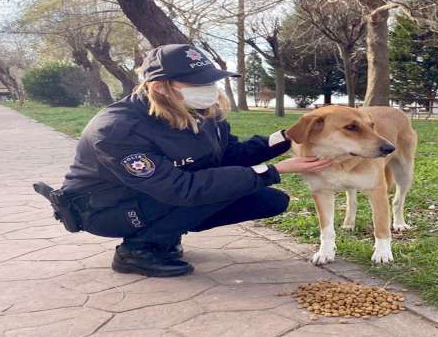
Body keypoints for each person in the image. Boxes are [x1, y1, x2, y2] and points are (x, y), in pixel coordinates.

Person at [60, 44, 331, 277]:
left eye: (211, 81)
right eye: (198, 83)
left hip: (153, 195)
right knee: (216, 187)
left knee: (269, 199)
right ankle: (138, 249)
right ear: (160, 87)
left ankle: (166, 234)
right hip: (104, 209)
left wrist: (286, 137)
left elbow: (229, 155)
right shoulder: (117, 129)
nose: (209, 89)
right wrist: (271, 170)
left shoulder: (200, 114)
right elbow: (181, 189)